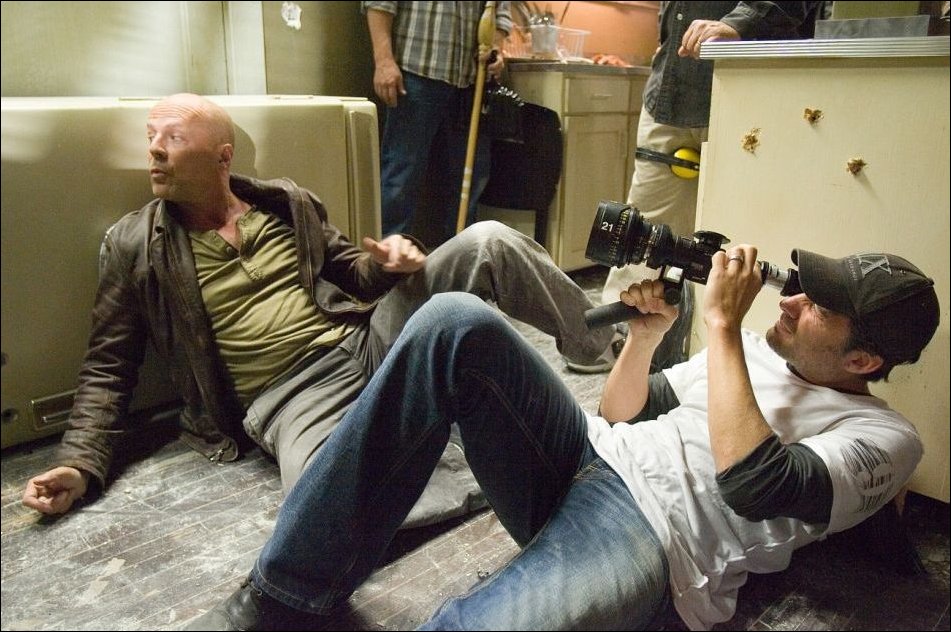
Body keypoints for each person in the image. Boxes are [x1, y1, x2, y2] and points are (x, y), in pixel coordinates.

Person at [184, 244, 940, 631]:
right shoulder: (747, 353)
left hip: (655, 541)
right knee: (453, 319)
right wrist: (646, 339)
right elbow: (621, 413)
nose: (792, 300)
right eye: (803, 287)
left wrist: (718, 326)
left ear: (863, 360)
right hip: (587, 458)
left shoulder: (883, 438)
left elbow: (756, 484)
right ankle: (284, 593)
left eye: (819, 308)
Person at [19, 93, 617, 529]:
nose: (154, 149)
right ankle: (502, 461)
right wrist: (79, 464)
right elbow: (108, 368)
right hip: (289, 399)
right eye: (151, 136)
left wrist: (390, 264)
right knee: (320, 509)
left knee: (488, 239)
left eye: (172, 138)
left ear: (222, 156)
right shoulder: (134, 246)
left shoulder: (285, 203)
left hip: (365, 343)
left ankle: (603, 350)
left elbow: (352, 273)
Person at [580, 1, 823, 375]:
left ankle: (737, 358)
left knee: (748, 227)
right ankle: (624, 341)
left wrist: (740, 24)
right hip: (670, 94)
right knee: (643, 228)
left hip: (747, 86)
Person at [363, 1, 510, 245]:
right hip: (416, 72)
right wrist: (384, 61)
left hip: (470, 81)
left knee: (469, 182)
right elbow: (380, 3)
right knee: (401, 176)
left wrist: (495, 47)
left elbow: (499, 10)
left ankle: (460, 260)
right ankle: (389, 263)